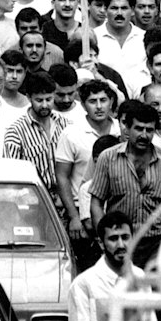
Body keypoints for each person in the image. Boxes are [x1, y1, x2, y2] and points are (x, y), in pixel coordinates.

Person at [90, 101, 161, 267]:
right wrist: (104, 239)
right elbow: (96, 202)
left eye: (149, 130)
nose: (144, 135)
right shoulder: (108, 158)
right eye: (139, 129)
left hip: (158, 242)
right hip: (121, 241)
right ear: (127, 128)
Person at [55, 80, 119, 266]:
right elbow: (62, 176)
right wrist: (74, 217)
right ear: (83, 104)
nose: (99, 106)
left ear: (111, 102)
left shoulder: (120, 129)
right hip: (83, 214)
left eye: (103, 100)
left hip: (117, 208)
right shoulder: (71, 133)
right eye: (92, 101)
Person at [68, 211, 158, 321]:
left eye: (125, 238)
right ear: (101, 243)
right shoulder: (83, 284)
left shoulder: (140, 277)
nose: (121, 245)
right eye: (113, 239)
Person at [3, 71, 68, 201]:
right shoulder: (16, 132)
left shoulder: (65, 125)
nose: (44, 105)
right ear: (28, 97)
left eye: (48, 99)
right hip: (33, 200)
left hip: (65, 199)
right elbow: (11, 178)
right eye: (39, 100)